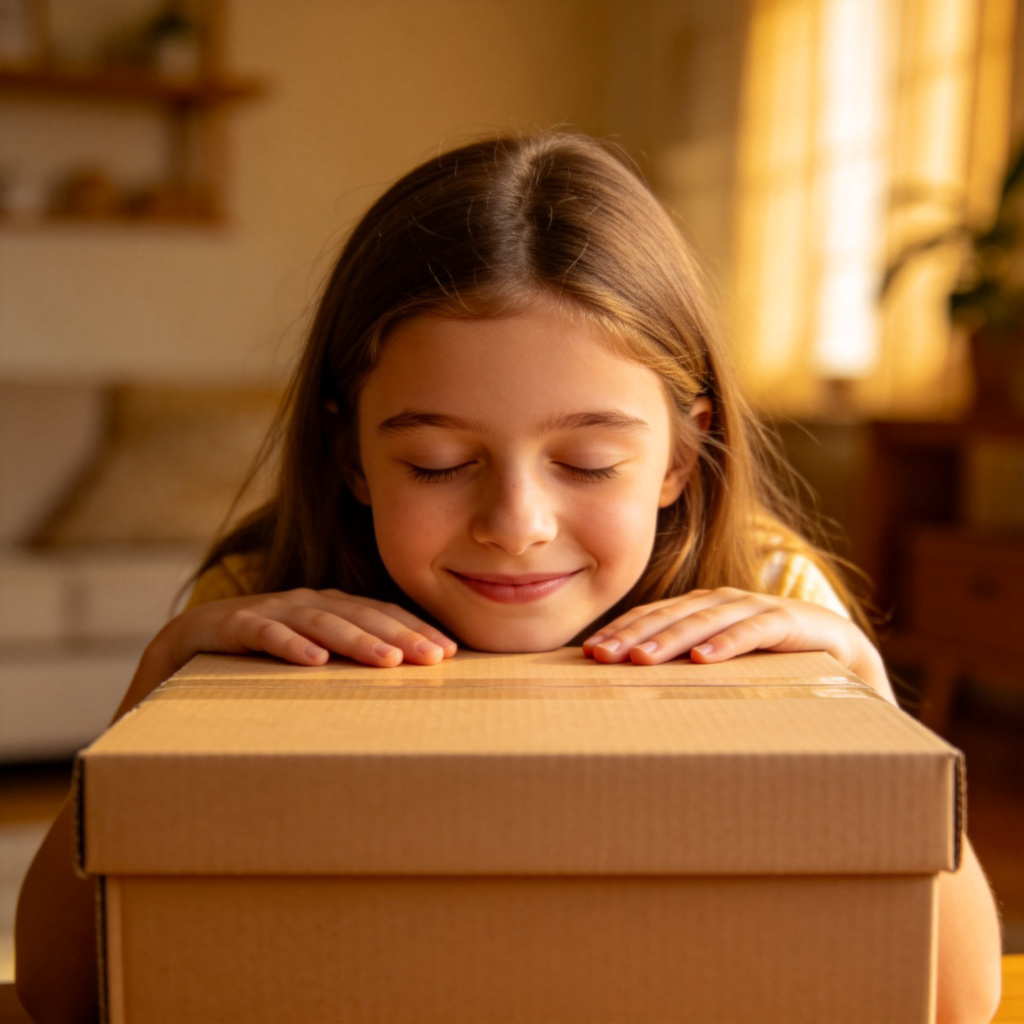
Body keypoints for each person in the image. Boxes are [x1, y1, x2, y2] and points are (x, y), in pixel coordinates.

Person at [16, 130, 1001, 1023]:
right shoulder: (262, 600)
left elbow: (958, 1000)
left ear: (675, 456)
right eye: (438, 463)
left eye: (586, 463)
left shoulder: (767, 594)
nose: (517, 526)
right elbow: (64, 993)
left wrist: (874, 706)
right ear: (353, 455)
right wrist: (153, 690)